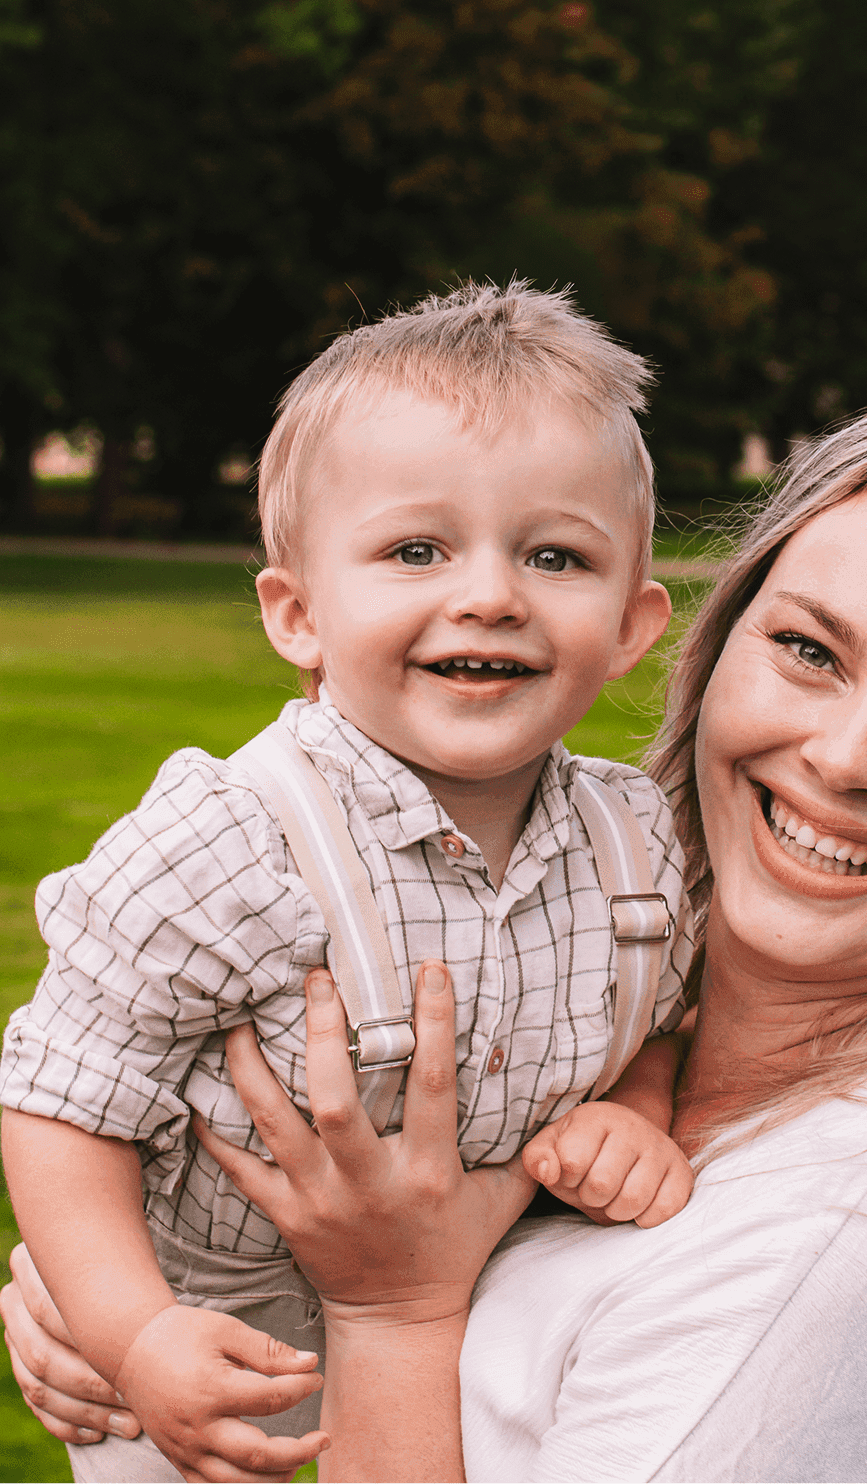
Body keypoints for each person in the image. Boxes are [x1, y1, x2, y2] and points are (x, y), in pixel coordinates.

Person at [3, 386, 867, 1484]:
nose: (846, 758)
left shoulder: (826, 1257)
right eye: (808, 651)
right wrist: (132, 1296)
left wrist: (390, 1309)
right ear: (713, 646)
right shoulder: (595, 933)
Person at [0, 282, 699, 1484]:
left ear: (633, 624)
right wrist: (133, 1330)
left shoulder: (636, 842)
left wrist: (634, 1108)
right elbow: (65, 1102)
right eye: (416, 550)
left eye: (555, 555)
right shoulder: (230, 841)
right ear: (298, 614)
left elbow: (665, 1015)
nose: (490, 595)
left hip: (478, 1308)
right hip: (214, 1328)